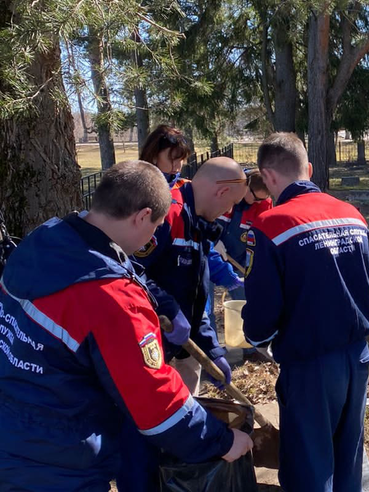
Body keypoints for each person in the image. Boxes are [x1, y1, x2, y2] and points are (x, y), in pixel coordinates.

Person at [0, 161, 252, 491]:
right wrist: (221, 441)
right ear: (141, 216)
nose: (151, 237)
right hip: (61, 456)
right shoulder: (110, 297)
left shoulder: (43, 241)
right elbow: (154, 402)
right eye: (154, 227)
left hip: (13, 431)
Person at [241, 133, 369, 492]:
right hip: (357, 354)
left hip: (310, 363)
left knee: (309, 466)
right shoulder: (353, 215)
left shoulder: (270, 226)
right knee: (348, 455)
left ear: (267, 176)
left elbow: (263, 310)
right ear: (309, 169)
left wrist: (257, 339)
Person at [133, 156, 248, 395]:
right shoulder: (167, 214)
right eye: (232, 202)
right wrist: (169, 308)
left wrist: (212, 349)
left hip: (182, 345)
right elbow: (129, 271)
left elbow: (194, 294)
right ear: (222, 191)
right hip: (147, 348)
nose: (229, 211)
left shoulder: (198, 225)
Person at [212, 169, 273, 363]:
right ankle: (212, 351)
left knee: (246, 300)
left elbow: (261, 235)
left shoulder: (263, 203)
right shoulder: (225, 193)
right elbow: (204, 216)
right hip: (211, 253)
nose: (257, 203)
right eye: (254, 198)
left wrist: (252, 265)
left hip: (239, 258)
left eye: (261, 200)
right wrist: (212, 240)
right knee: (204, 306)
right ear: (245, 186)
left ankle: (250, 348)